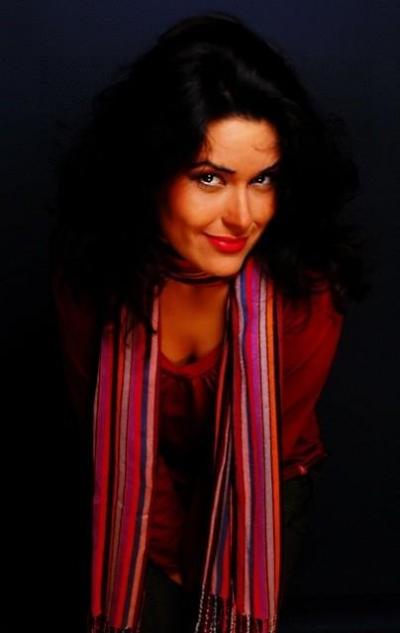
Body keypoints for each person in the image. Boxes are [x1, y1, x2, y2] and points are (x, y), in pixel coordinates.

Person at [51, 12, 365, 633]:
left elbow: (270, 453)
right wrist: (167, 561)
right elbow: (105, 439)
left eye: (262, 180)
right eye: (209, 178)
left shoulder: (305, 295)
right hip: (135, 483)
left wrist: (209, 570)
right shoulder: (91, 281)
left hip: (266, 482)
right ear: (149, 175)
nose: (242, 217)